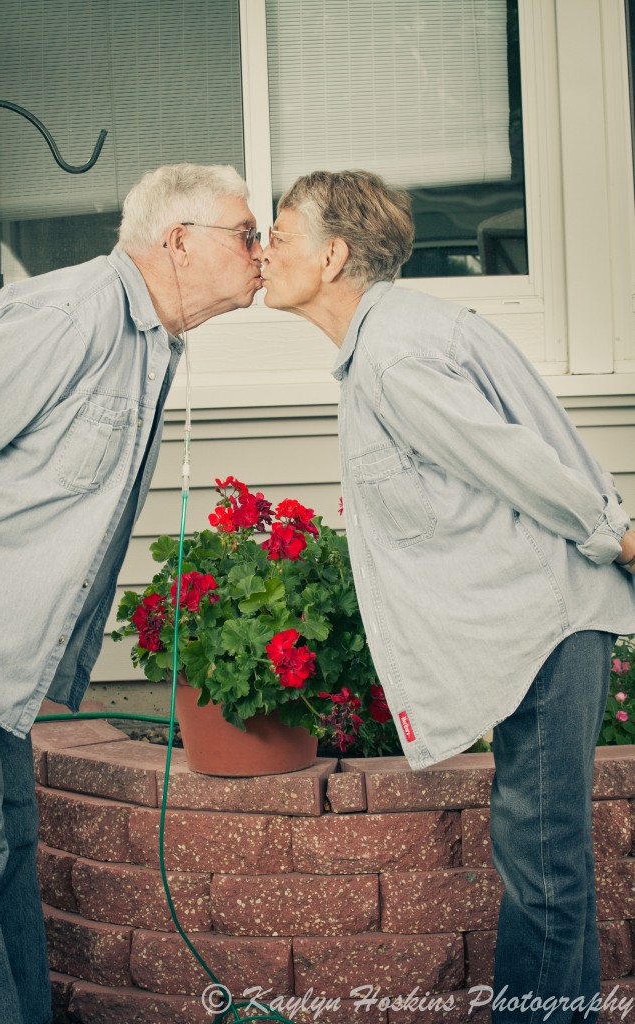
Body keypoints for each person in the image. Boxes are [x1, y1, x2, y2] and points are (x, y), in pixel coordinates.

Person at [260, 170, 635, 1020]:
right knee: (550, 863)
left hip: (546, 623)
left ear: (332, 254)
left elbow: (521, 463)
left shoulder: (395, 356)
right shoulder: (396, 339)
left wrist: (615, 536)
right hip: (533, 623)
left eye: (279, 233)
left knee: (544, 866)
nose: (265, 249)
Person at [0, 162, 263, 1024]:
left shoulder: (151, 338)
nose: (260, 250)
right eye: (245, 233)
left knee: (5, 848)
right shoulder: (67, 317)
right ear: (177, 241)